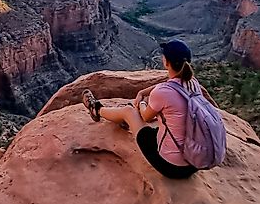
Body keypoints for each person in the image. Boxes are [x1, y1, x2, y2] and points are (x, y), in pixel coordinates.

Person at [81, 40, 219, 179]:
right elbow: (169, 86)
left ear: (166, 62)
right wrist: (143, 92)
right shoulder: (192, 83)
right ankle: (121, 118)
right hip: (194, 163)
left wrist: (141, 103)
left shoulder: (162, 93)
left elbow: (146, 117)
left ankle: (96, 109)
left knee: (129, 112)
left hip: (171, 167)